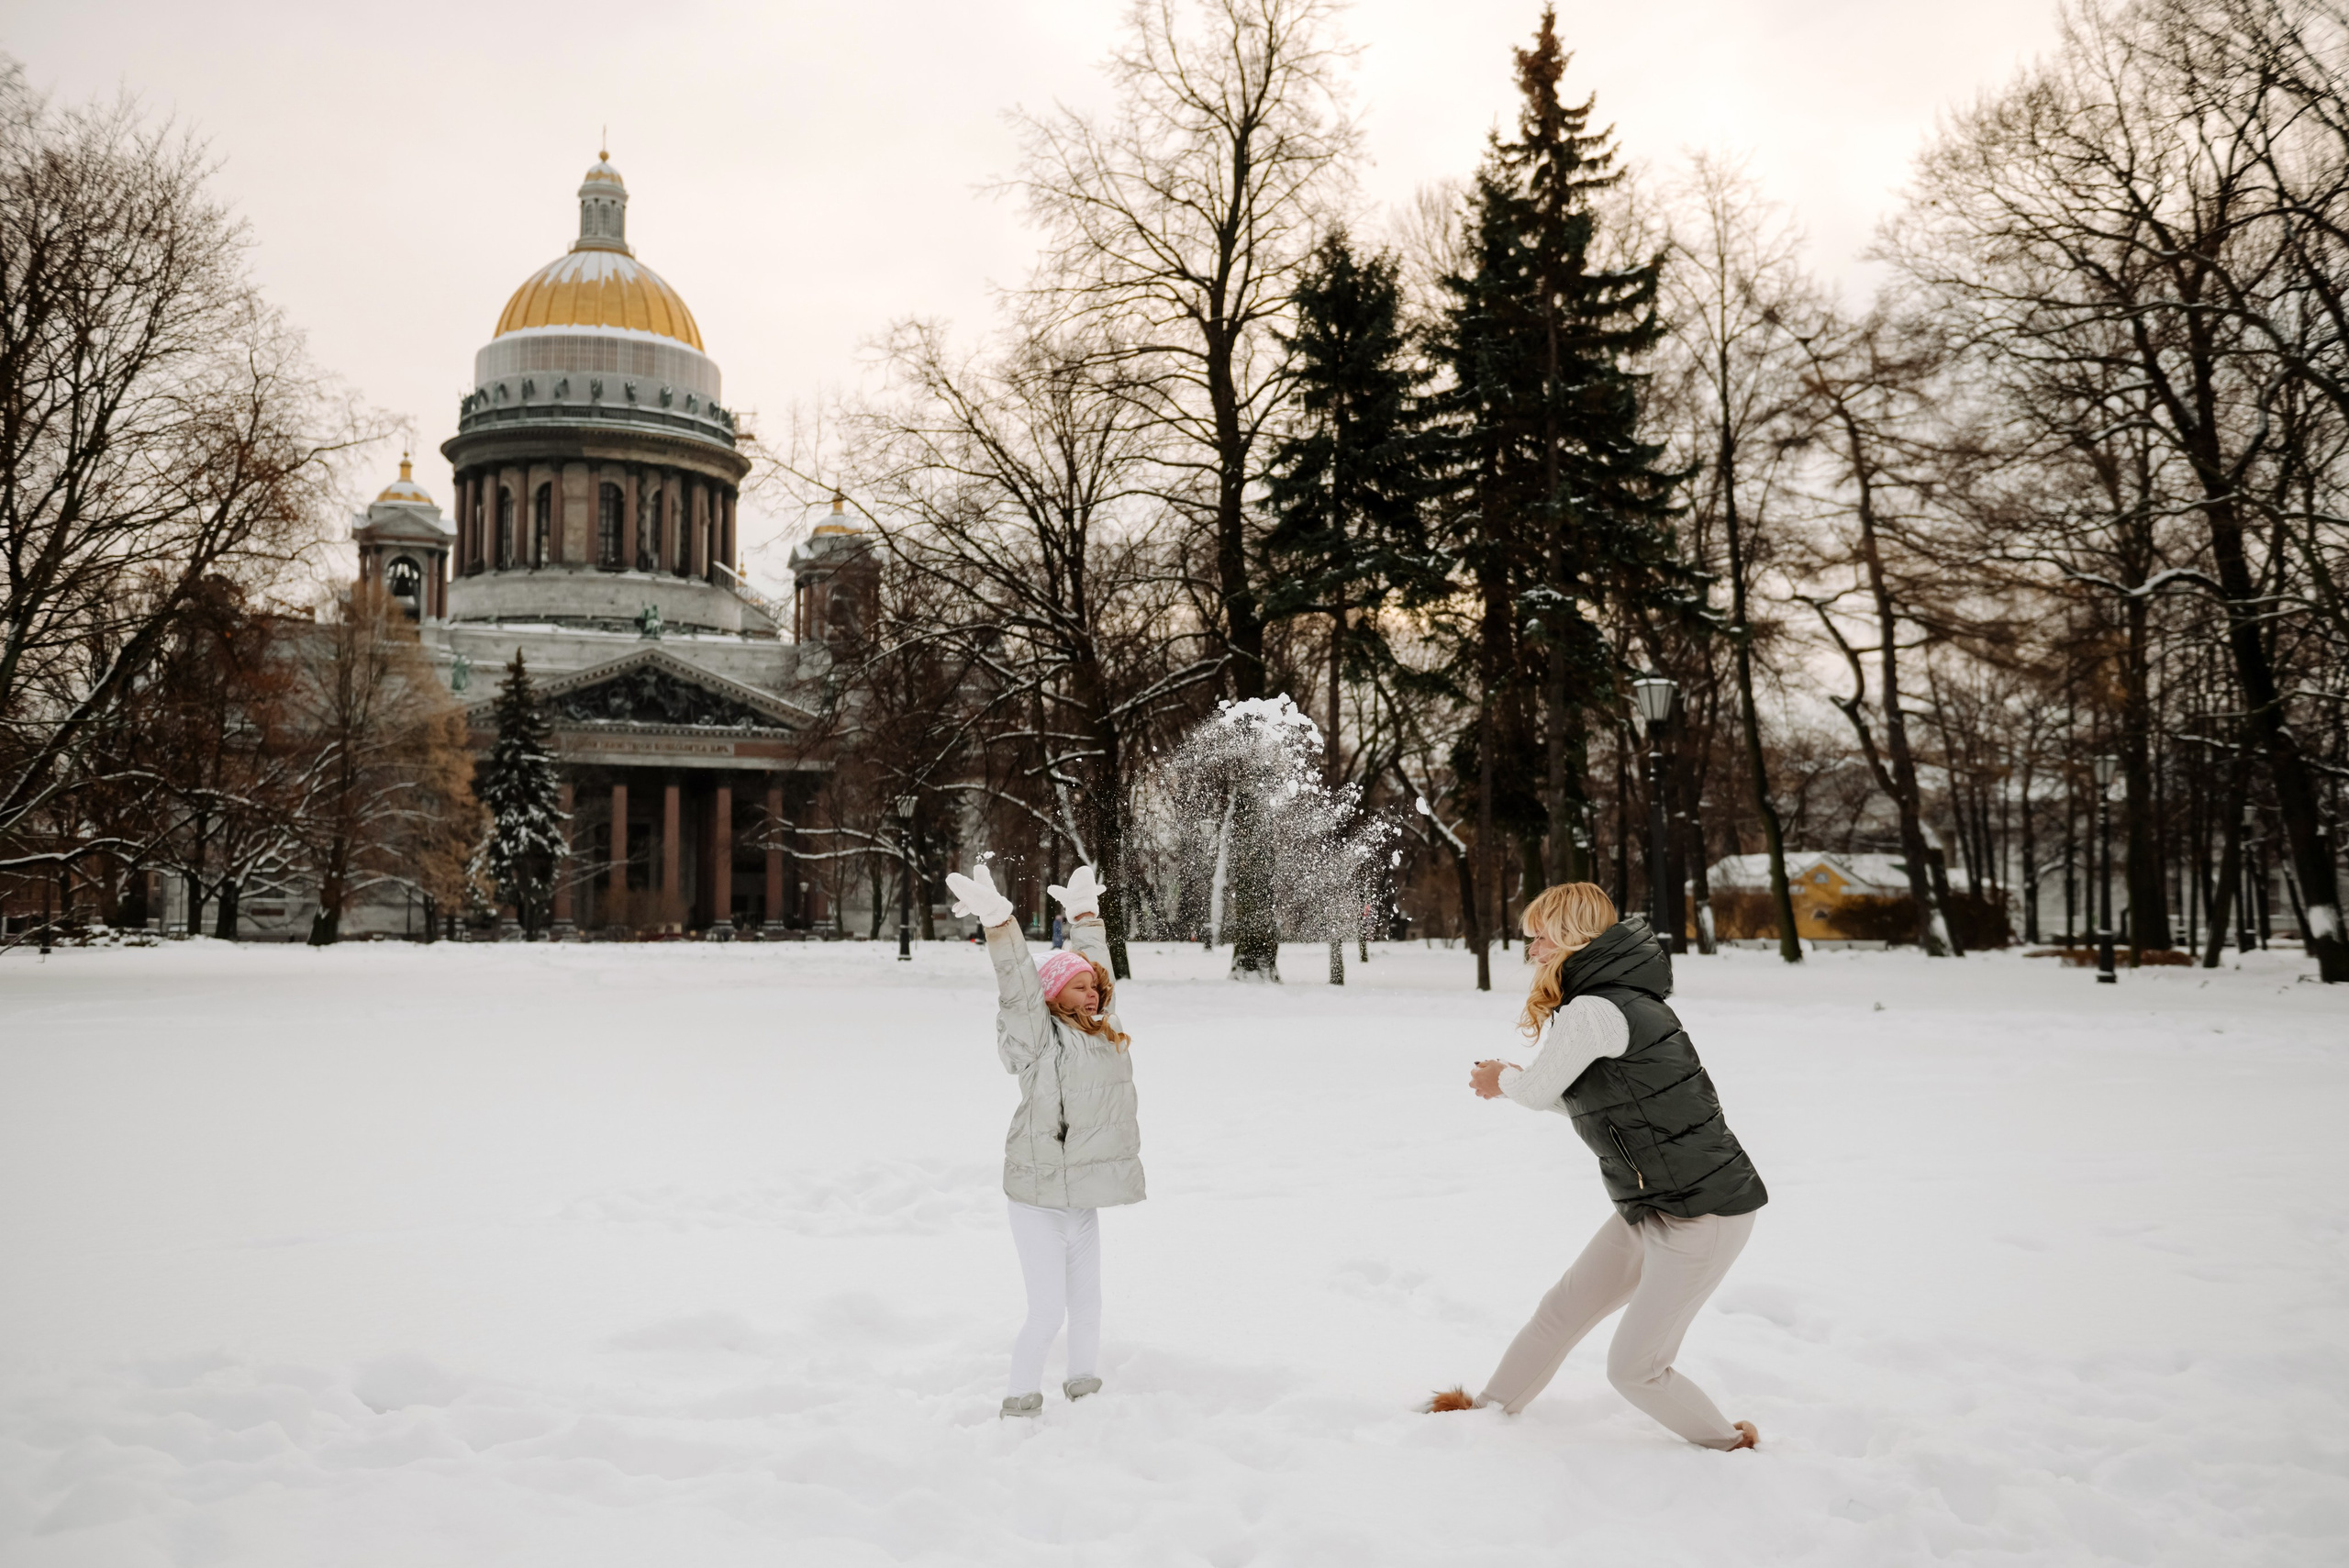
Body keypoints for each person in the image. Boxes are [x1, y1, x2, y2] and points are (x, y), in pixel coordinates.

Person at [1431, 883, 1767, 1451]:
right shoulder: (1613, 999)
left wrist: (1502, 1079)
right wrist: (1521, 1082)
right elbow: (1585, 1101)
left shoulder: (1595, 1009)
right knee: (1561, 1311)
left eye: (1541, 937)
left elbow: (1537, 1094)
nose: (1533, 951)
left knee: (1635, 1369)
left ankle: (1731, 1448)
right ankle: (1485, 1414)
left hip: (1703, 1214)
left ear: (1572, 937)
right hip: (1654, 1202)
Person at [943, 860, 1144, 1419]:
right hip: (1038, 1198)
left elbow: (1098, 971)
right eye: (1079, 988)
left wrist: (1085, 918)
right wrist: (1000, 925)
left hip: (1082, 1198)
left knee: (1089, 1305)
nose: (1093, 994)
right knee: (1048, 1310)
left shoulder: (1103, 1032)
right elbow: (1018, 992)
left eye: (1095, 988)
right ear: (1055, 996)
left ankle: (1084, 1391)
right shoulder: (1039, 1041)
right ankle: (1020, 1402)